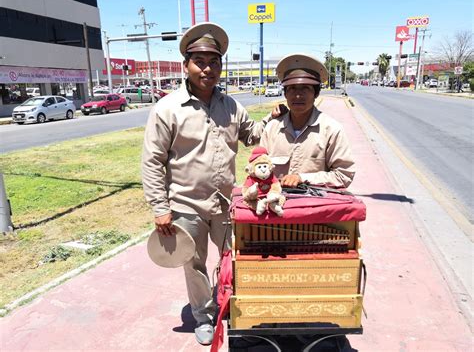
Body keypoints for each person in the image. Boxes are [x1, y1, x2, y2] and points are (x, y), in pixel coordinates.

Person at [141, 22, 274, 346]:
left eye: (214, 62)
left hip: (227, 203)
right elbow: (152, 161)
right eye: (200, 61)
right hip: (186, 205)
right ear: (186, 64)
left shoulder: (230, 106)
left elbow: (251, 135)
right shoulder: (168, 109)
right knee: (195, 263)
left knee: (237, 256)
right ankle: (203, 316)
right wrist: (160, 208)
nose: (208, 68)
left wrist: (275, 117)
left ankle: (235, 305)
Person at [262, 53, 355, 188]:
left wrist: (303, 178)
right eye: (292, 88)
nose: (298, 95)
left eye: (305, 88)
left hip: (316, 207)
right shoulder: (271, 129)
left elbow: (344, 175)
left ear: (316, 93)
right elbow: (258, 168)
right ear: (285, 93)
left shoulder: (331, 130)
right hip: (277, 205)